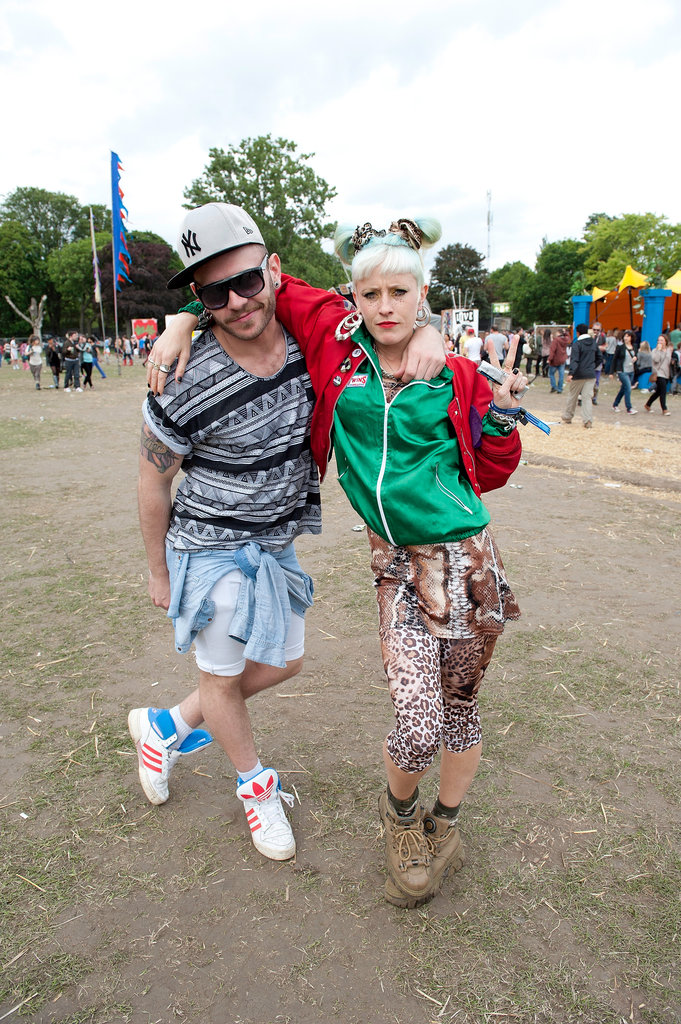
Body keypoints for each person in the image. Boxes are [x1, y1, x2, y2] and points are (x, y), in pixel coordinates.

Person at [149, 213, 525, 908]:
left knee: (460, 709)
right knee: (416, 720)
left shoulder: (457, 372)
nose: (384, 306)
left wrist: (497, 415)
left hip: (469, 561)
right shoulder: (334, 338)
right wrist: (180, 320)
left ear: (422, 294)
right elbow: (245, 291)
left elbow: (494, 470)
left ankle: (444, 825)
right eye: (370, 293)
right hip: (395, 565)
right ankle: (398, 814)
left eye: (399, 294)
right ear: (350, 296)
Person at [562, 323, 598, 428]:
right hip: (590, 374)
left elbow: (575, 360)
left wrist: (571, 373)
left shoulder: (577, 344)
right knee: (587, 398)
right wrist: (592, 366)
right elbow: (599, 357)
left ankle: (568, 416)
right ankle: (588, 421)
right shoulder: (593, 343)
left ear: (577, 332)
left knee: (573, 396)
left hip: (578, 374)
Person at [611, 330, 638, 414]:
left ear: (631, 337)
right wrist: (611, 372)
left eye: (628, 336)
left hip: (631, 370)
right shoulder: (620, 347)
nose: (626, 338)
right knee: (628, 388)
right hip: (622, 371)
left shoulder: (635, 346)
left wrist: (636, 357)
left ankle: (615, 404)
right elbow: (614, 359)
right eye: (625, 336)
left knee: (624, 389)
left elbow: (636, 355)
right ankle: (629, 408)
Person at [644, 336, 672, 415]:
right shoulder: (654, 351)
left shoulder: (668, 350)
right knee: (663, 391)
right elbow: (656, 360)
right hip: (659, 373)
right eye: (658, 340)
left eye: (662, 340)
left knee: (658, 392)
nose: (660, 342)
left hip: (666, 373)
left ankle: (648, 404)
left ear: (665, 341)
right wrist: (659, 350)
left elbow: (669, 361)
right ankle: (664, 409)